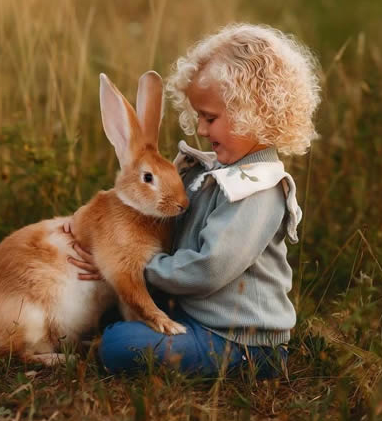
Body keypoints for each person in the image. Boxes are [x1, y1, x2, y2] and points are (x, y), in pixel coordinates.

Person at [67, 23, 321, 379]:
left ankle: (124, 339)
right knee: (114, 312)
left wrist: (134, 270)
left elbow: (208, 269)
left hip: (239, 340)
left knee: (118, 344)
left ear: (254, 112)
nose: (200, 129)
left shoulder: (259, 191)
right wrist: (107, 245)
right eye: (199, 116)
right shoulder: (208, 171)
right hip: (194, 314)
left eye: (210, 118)